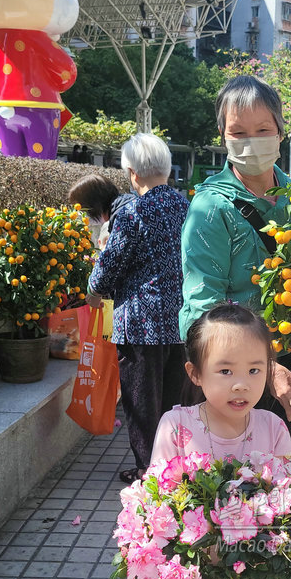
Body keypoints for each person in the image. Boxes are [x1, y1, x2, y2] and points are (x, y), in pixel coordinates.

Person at [137, 303, 291, 579]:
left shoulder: (273, 430)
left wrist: (286, 563)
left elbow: (289, 510)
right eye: (224, 371)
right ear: (194, 373)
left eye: (254, 369)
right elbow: (153, 510)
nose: (241, 384)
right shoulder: (177, 427)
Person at [179, 74, 291, 426]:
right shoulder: (212, 207)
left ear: (281, 131)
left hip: (288, 364)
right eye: (238, 132)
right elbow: (203, 305)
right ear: (224, 138)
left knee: (275, 468)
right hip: (231, 375)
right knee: (230, 474)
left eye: (263, 130)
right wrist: (261, 369)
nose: (251, 142)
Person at [87, 133, 189, 484]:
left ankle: (150, 472)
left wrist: (93, 289)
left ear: (131, 172)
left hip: (141, 323)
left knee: (142, 403)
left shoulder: (134, 212)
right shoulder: (185, 207)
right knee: (175, 402)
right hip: (180, 322)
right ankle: (174, 468)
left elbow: (111, 263)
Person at [67, 173, 123, 249]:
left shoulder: (121, 218)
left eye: (84, 208)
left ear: (94, 204)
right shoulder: (123, 207)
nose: (85, 214)